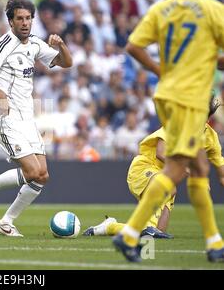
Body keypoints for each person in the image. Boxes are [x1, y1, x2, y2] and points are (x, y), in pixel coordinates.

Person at [113, 0, 224, 263]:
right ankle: (129, 235)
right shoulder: (214, 10)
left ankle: (214, 243)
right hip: (190, 99)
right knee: (176, 170)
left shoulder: (163, 7)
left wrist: (161, 70)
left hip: (167, 95)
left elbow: (133, 46)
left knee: (198, 165)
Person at [0, 0, 72, 237]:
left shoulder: (34, 44)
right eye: (19, 19)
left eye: (28, 18)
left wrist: (61, 45)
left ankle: (6, 222)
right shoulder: (2, 45)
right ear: (10, 22)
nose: (24, 23)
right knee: (33, 172)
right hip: (3, 117)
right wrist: (1, 95)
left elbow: (66, 63)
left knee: (42, 176)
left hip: (27, 118)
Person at [84, 96, 224, 238]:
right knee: (168, 192)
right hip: (144, 167)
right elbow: (161, 153)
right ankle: (148, 227)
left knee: (156, 232)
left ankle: (109, 227)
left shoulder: (211, 138)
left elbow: (221, 171)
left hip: (168, 177)